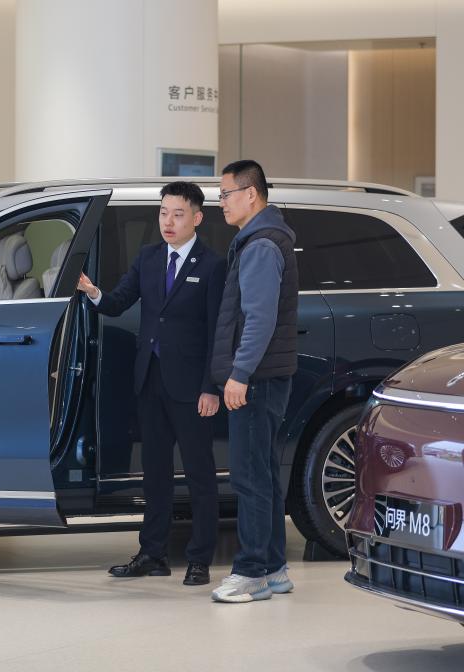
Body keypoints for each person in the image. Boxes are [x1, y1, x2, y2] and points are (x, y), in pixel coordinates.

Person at [78, 181, 226, 586]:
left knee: (199, 475)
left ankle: (200, 559)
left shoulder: (212, 266)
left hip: (192, 387)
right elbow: (118, 302)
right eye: (163, 213)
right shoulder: (148, 257)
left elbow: (218, 332)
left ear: (197, 218)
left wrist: (211, 387)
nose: (168, 222)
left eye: (178, 214)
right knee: (155, 474)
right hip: (150, 380)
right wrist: (92, 291)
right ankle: (152, 554)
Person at [209, 160, 298, 603]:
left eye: (226, 194)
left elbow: (258, 319)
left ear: (251, 194)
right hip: (267, 377)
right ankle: (276, 569)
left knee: (248, 477)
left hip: (257, 378)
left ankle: (251, 572)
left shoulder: (261, 245)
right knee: (263, 474)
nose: (221, 202)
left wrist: (239, 374)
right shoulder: (262, 239)